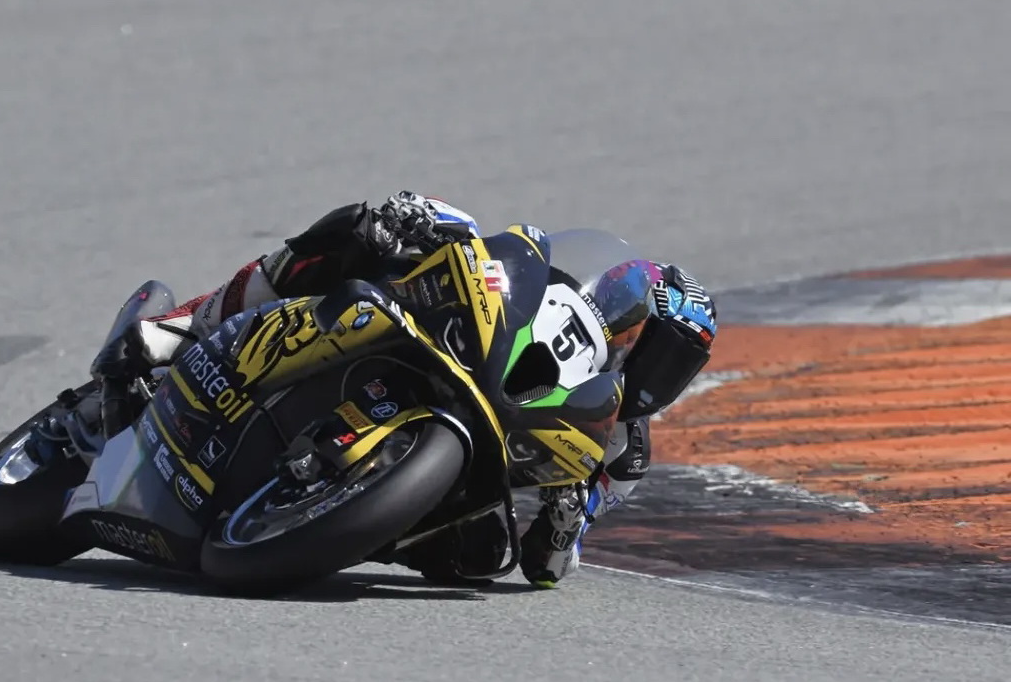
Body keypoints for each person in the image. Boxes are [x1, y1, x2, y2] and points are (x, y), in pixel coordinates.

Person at [81, 191, 718, 588]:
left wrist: (566, 516)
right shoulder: (554, 299)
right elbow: (486, 252)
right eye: (653, 345)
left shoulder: (622, 452)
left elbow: (549, 566)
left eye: (676, 367)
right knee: (364, 233)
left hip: (465, 474)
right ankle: (183, 326)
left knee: (482, 557)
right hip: (462, 353)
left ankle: (319, 513)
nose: (657, 372)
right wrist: (415, 219)